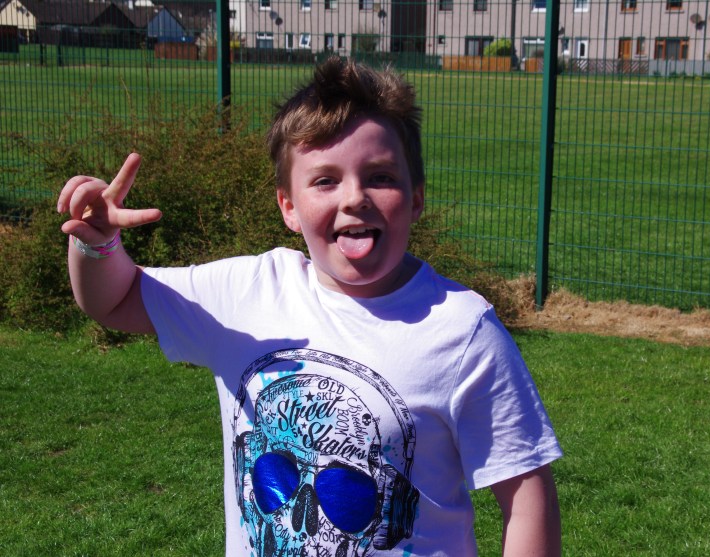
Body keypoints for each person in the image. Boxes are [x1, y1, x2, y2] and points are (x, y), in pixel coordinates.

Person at [57, 57, 563, 557]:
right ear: (289, 207)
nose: (355, 197)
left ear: (415, 199)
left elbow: (525, 496)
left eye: (381, 177)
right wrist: (98, 244)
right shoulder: (246, 293)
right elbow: (115, 298)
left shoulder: (461, 329)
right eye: (325, 181)